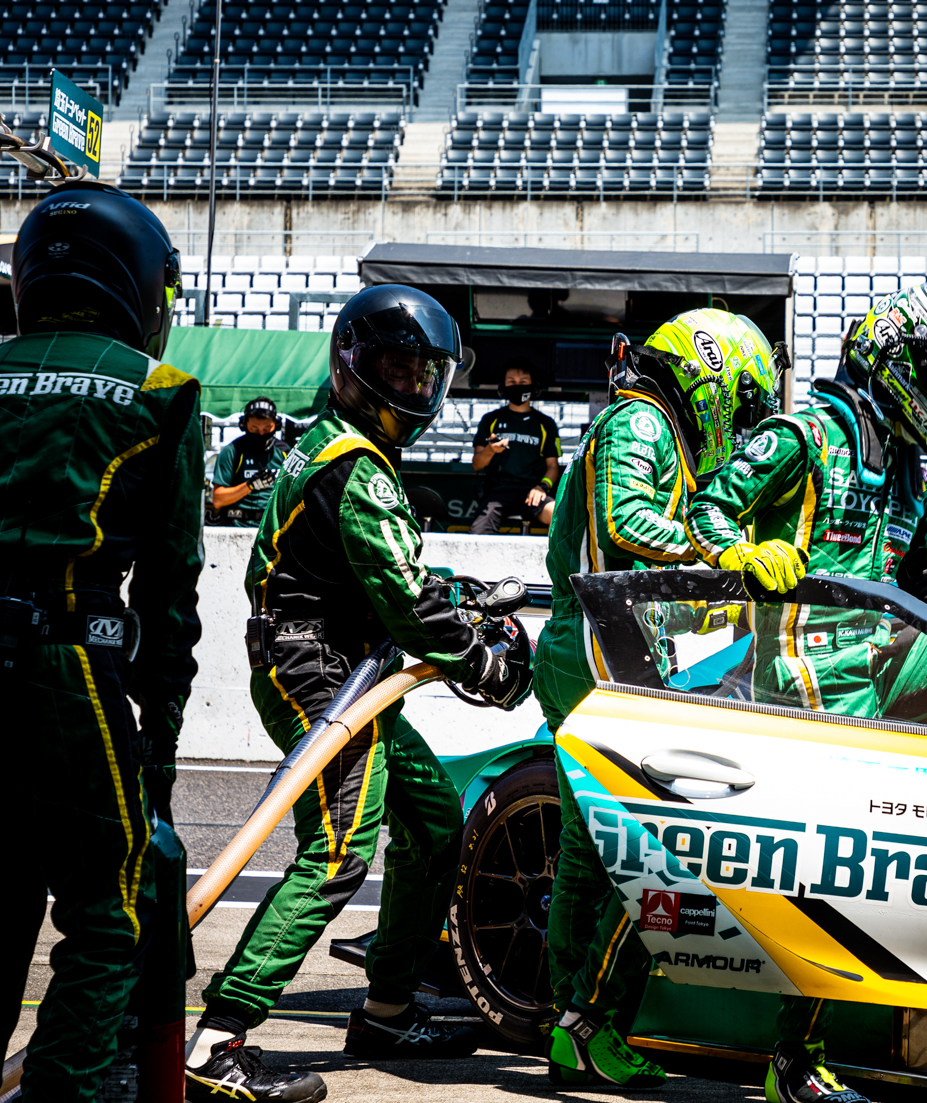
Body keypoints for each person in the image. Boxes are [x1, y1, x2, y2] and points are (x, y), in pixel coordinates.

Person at [684, 283, 927, 1103]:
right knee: (837, 867)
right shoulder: (805, 436)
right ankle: (794, 1060)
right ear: (891, 359)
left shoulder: (912, 472)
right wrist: (742, 555)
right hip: (804, 674)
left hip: (885, 657)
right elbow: (707, 510)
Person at [184, 285, 535, 1102]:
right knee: (339, 850)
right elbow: (411, 607)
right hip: (317, 673)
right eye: (399, 369)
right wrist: (488, 665)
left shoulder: (335, 448)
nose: (414, 388)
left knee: (433, 821)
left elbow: (396, 576)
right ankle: (218, 1039)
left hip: (339, 668)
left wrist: (463, 591)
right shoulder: (356, 469)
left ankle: (384, 1008)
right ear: (354, 366)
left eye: (425, 374)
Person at [0, 181, 202, 1102]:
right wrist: (157, 744)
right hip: (71, 661)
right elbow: (170, 596)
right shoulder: (160, 393)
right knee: (105, 911)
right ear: (135, 280)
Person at [537, 308, 780, 1089]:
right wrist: (725, 553)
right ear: (712, 382)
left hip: (593, 648)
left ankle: (565, 1019)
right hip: (595, 651)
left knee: (589, 849)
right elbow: (624, 520)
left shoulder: (643, 423)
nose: (741, 427)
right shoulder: (641, 420)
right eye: (742, 406)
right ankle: (583, 1021)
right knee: (635, 848)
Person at [470, 361, 561, 534]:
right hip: (498, 492)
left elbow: (552, 467)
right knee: (478, 533)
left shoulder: (545, 424)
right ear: (503, 385)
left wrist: (542, 487)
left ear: (533, 385)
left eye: (523, 381)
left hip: (533, 491)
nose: (517, 386)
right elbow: (476, 464)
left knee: (559, 516)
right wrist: (490, 450)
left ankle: (549, 562)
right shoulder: (491, 419)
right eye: (511, 381)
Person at [209, 396, 290, 527]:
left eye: (267, 428)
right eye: (254, 428)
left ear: (276, 425)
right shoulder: (232, 451)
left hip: (271, 527)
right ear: (244, 424)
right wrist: (250, 486)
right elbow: (218, 499)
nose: (261, 433)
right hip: (236, 525)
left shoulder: (284, 452)